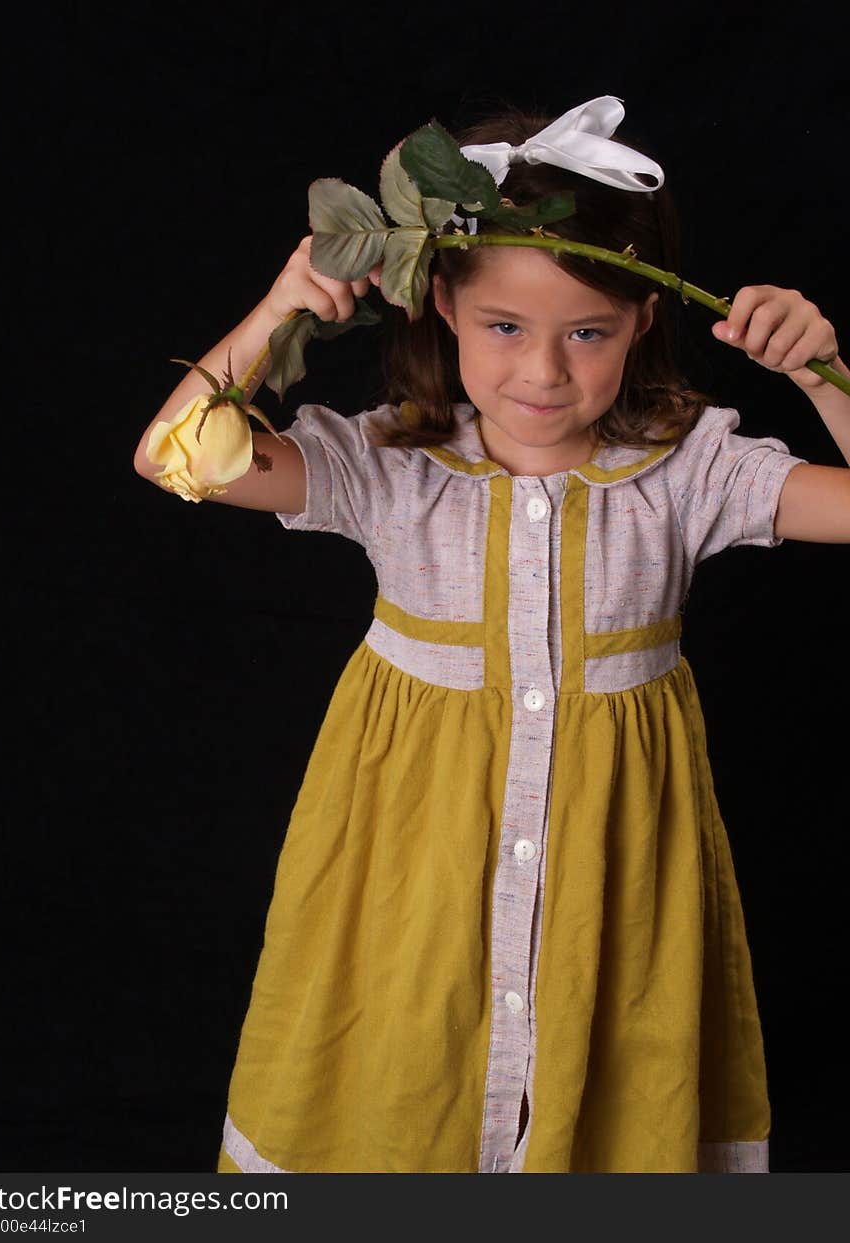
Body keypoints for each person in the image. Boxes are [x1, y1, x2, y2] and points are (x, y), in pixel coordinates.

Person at [133, 97, 850, 1174]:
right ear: (442, 314)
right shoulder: (390, 463)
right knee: (400, 1082)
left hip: (613, 883)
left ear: (643, 321)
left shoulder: (688, 470)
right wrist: (285, 304)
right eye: (503, 327)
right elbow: (176, 457)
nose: (542, 373)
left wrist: (818, 372)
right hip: (404, 872)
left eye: (587, 332)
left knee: (604, 1097)